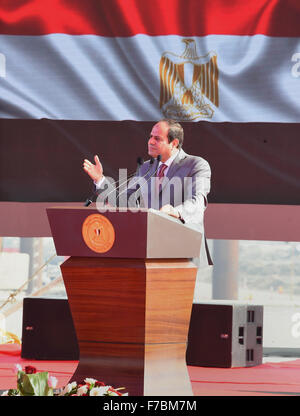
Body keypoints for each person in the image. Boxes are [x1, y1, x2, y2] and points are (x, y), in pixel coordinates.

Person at [83, 119, 212, 266]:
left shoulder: (196, 164)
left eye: (157, 138)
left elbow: (198, 202)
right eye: (150, 137)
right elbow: (123, 201)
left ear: (174, 143)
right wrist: (100, 180)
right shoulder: (146, 168)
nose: (150, 141)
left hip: (186, 253)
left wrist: (174, 211)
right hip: (153, 254)